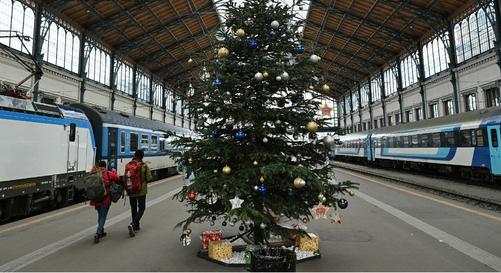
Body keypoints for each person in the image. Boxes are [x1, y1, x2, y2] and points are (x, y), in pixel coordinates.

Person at [91, 160, 119, 244]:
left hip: (95, 199)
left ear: (98, 166)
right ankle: (98, 232)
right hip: (105, 199)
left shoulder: (94, 173)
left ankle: (101, 231)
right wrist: (114, 171)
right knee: (103, 216)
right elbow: (117, 178)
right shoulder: (108, 173)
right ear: (105, 166)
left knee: (100, 215)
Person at [127, 149, 152, 237]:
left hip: (131, 191)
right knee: (141, 208)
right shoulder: (144, 165)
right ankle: (133, 224)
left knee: (133, 208)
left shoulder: (129, 165)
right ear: (142, 156)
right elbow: (149, 178)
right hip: (141, 191)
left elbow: (125, 179)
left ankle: (136, 226)